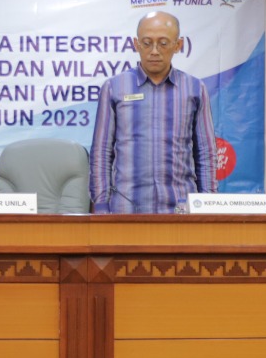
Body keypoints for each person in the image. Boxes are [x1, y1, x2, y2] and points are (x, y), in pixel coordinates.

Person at [88, 11, 217, 213]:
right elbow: (101, 152)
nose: (154, 51)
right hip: (126, 210)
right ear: (136, 44)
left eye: (163, 43)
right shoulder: (114, 87)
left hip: (181, 209)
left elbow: (205, 153)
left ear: (178, 45)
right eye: (147, 43)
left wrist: (208, 206)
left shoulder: (194, 88)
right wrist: (102, 206)